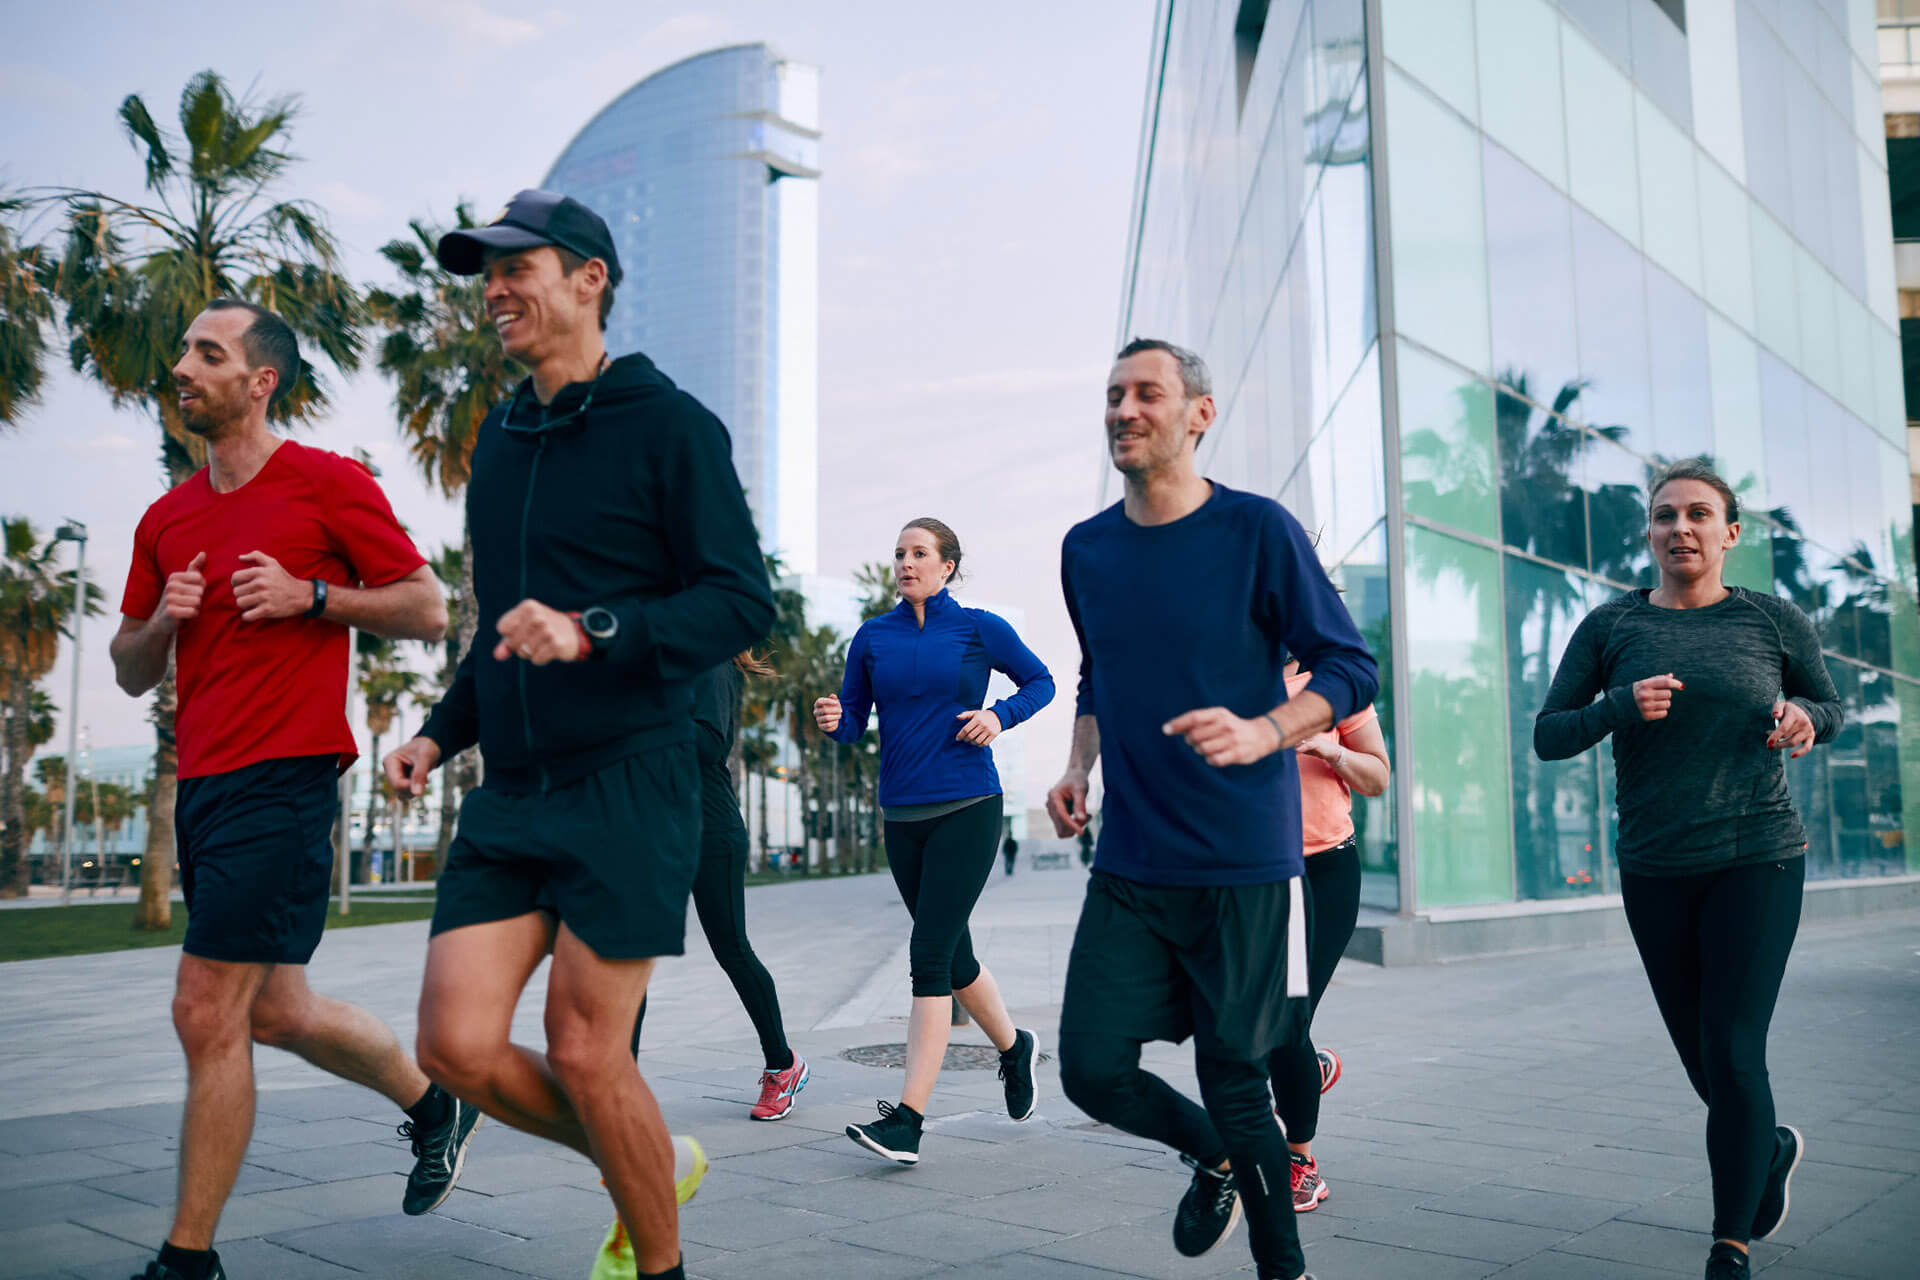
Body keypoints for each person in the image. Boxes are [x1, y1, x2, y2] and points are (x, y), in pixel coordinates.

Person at [383, 190, 774, 1280]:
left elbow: (742, 603)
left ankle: (660, 1263)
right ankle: (652, 1150)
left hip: (632, 781)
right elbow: (496, 630)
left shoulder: (672, 426)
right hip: (512, 794)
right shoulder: (501, 441)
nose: (497, 290)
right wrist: (436, 732)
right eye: (488, 275)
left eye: (520, 269)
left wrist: (597, 628)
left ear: (590, 278)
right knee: (452, 1045)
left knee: (588, 1051)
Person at [111, 300, 469, 1280]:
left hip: (288, 771)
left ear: (261, 379)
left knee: (204, 1004)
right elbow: (130, 667)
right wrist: (162, 622)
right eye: (184, 349)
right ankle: (434, 1101)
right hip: (206, 784)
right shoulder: (167, 516)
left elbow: (428, 605)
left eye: (207, 353)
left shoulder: (324, 483)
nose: (183, 366)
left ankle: (189, 1259)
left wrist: (314, 596)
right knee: (275, 1010)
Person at [1048, 339, 1376, 1280]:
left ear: (1199, 413)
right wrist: (1080, 764)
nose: (1124, 409)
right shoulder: (1088, 548)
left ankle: (1285, 1266)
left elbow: (1351, 666)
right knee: (1090, 1069)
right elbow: (1097, 670)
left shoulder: (1258, 532)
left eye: (1147, 393)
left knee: (1237, 1082)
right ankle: (1217, 1155)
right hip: (1133, 864)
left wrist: (1270, 730)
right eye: (1112, 395)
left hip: (1247, 867)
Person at [1535, 457, 1835, 1280]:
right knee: (1704, 1059)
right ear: (1649, 534)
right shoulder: (1611, 626)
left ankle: (1728, 1245)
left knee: (1736, 1052)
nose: (1682, 528)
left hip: (1758, 856)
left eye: (1699, 515)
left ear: (1729, 533)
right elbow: (1550, 732)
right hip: (1656, 867)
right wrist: (1617, 706)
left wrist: (1804, 716)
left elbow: (1829, 704)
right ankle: (1765, 1147)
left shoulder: (1773, 621)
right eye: (1666, 516)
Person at [813, 518, 1054, 1164]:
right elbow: (855, 721)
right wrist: (836, 722)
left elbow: (1042, 682)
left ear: (948, 566)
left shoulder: (978, 628)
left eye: (920, 553)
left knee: (927, 955)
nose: (906, 562)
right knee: (952, 955)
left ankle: (909, 1122)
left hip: (969, 806)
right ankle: (1015, 1047)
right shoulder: (872, 638)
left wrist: (998, 716)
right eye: (899, 553)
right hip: (902, 815)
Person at [629, 653, 808, 1122]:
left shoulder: (709, 661)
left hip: (709, 831)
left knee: (732, 949)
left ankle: (782, 1066)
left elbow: (707, 743)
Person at [1271, 654, 1389, 1213]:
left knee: (1285, 1017)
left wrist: (1331, 749)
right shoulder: (1224, 677)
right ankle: (1309, 1070)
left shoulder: (1334, 685)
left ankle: (1300, 1161)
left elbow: (1378, 777)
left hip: (1324, 871)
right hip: (1250, 876)